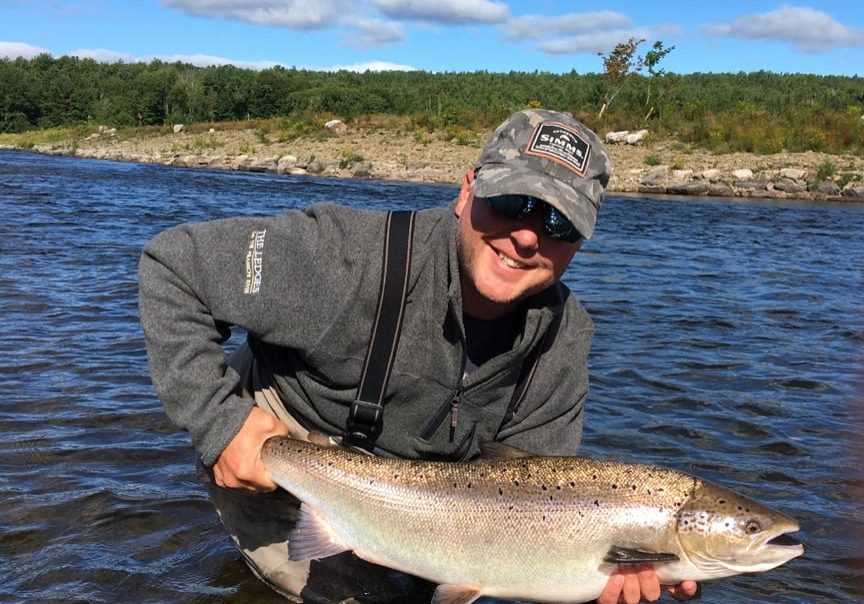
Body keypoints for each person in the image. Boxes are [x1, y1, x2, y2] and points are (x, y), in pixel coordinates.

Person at [139, 108, 698, 604]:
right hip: (280, 458)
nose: (528, 236)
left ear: (579, 241)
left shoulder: (561, 341)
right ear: (467, 192)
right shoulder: (346, 261)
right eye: (513, 202)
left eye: (558, 222)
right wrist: (220, 423)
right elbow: (173, 266)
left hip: (437, 506)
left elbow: (526, 502)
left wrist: (591, 571)